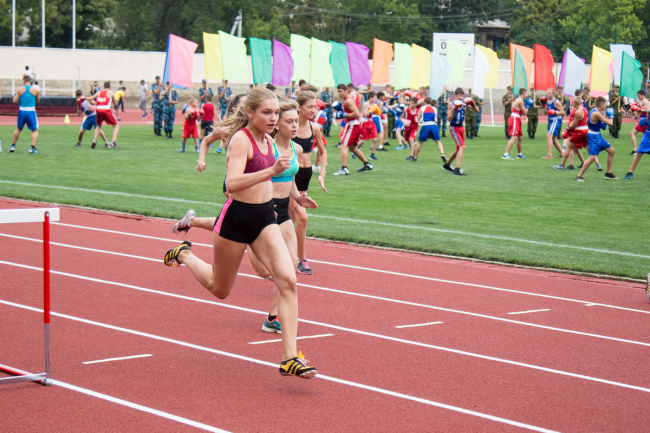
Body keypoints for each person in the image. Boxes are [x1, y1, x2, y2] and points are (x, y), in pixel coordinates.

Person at [163, 88, 318, 379]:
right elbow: (231, 183)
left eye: (276, 113)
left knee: (288, 280)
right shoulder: (240, 140)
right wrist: (270, 171)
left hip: (265, 219)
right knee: (220, 289)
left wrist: (296, 198)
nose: (273, 118)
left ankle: (289, 358)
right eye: (267, 112)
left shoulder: (269, 141)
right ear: (250, 112)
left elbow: (279, 177)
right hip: (236, 220)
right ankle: (184, 254)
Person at [291, 91, 328, 275]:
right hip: (290, 176)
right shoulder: (289, 126)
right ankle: (301, 260)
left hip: (306, 176)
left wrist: (322, 174)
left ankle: (271, 249)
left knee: (289, 219)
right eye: (310, 107)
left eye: (315, 107)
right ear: (299, 107)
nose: (314, 110)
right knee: (302, 218)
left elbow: (322, 151)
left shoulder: (314, 128)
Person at [332, 84, 373, 175]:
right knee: (352, 148)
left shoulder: (348, 100)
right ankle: (367, 164)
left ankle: (344, 169)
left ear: (346, 91)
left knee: (343, 146)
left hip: (352, 126)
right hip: (353, 125)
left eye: (340, 91)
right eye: (338, 92)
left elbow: (356, 113)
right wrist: (342, 111)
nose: (339, 93)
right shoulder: (346, 100)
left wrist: (343, 115)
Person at [575, 97, 618, 181]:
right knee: (592, 157)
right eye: (605, 104)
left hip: (598, 135)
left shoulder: (594, 111)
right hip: (593, 137)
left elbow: (587, 121)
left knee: (611, 151)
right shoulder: (596, 114)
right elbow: (610, 123)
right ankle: (579, 176)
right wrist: (611, 116)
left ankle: (608, 173)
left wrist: (598, 123)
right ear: (601, 104)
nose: (605, 106)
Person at [443, 88, 478, 176]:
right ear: (455, 95)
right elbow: (449, 118)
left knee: (458, 149)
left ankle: (447, 165)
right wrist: (454, 110)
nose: (460, 97)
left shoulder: (464, 103)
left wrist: (472, 103)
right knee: (462, 147)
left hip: (461, 127)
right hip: (454, 128)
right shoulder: (451, 104)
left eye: (462, 95)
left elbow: (477, 110)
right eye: (459, 95)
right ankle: (457, 170)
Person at [9, 75, 40, 154]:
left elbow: (14, 101)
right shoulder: (35, 90)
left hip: (22, 110)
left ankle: (13, 146)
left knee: (18, 128)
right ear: (30, 81)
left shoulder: (20, 89)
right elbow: (38, 101)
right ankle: (32, 147)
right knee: (34, 130)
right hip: (31, 111)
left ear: (23, 81)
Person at [409, 97, 446, 162]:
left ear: (425, 102)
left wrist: (418, 118)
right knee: (438, 141)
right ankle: (442, 153)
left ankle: (415, 157)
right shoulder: (435, 109)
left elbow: (418, 118)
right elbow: (436, 119)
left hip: (425, 125)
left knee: (420, 142)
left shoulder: (422, 108)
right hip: (434, 125)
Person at [624, 94, 650, 179]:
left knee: (639, 153)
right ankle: (630, 173)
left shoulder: (647, 105)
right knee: (639, 152)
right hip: (647, 134)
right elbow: (647, 121)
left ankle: (630, 173)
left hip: (647, 133)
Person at [88, 81, 120, 149]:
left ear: (103, 87)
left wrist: (84, 98)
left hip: (98, 110)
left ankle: (94, 140)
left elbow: (91, 98)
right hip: (106, 110)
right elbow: (116, 104)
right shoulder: (111, 93)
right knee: (116, 125)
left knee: (98, 126)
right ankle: (113, 141)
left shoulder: (99, 92)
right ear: (110, 87)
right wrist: (113, 100)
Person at [502, 87, 528, 160]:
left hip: (516, 118)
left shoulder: (517, 100)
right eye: (526, 93)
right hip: (515, 119)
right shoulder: (520, 101)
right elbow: (525, 113)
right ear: (524, 93)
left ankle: (519, 154)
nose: (526, 95)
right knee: (514, 137)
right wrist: (528, 106)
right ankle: (506, 154)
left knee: (520, 137)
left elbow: (513, 109)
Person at [543, 88, 565, 159]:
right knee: (554, 138)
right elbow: (545, 112)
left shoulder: (556, 102)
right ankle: (562, 153)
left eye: (549, 93)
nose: (547, 94)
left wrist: (555, 112)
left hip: (556, 119)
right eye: (547, 93)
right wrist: (543, 105)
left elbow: (563, 112)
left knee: (549, 136)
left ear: (553, 94)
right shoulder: (548, 101)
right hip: (550, 120)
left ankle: (549, 155)